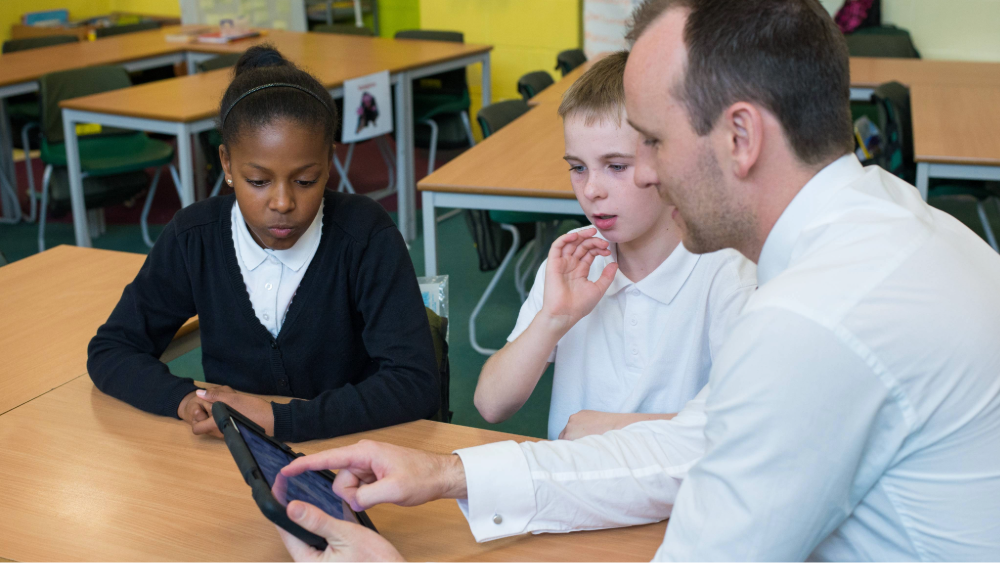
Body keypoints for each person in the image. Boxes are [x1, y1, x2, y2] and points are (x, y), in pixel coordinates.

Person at [273, 0, 1000, 560]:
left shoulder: (809, 321)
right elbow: (696, 444)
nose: (646, 171)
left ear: (740, 138)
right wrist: (448, 473)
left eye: (652, 140)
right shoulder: (901, 227)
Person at [87, 45, 440, 444]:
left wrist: (282, 420)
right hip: (237, 455)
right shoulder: (194, 238)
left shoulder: (365, 235)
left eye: (306, 180)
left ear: (329, 162)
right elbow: (112, 348)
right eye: (258, 181)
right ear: (226, 164)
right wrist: (183, 399)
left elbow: (415, 382)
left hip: (349, 450)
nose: (283, 202)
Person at [474, 50, 756, 441]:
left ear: (670, 158)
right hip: (577, 491)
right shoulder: (576, 260)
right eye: (577, 167)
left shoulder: (728, 272)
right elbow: (491, 404)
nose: (591, 190)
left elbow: (748, 427)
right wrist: (552, 319)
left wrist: (614, 430)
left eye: (617, 166)